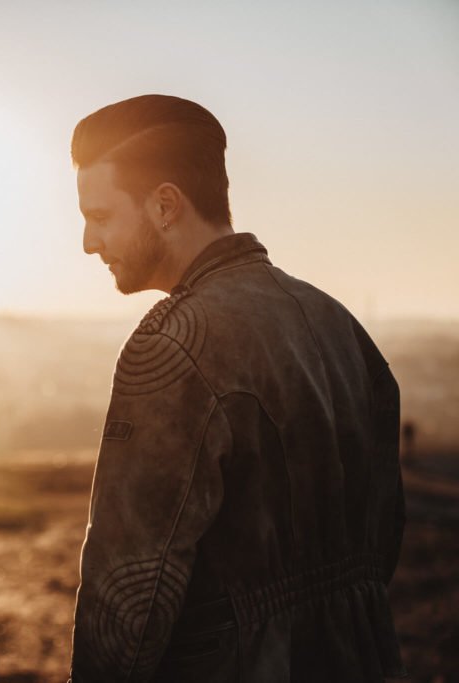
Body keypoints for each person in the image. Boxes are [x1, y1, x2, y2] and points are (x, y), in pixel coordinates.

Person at [67, 95, 406, 682]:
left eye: (99, 216)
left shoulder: (173, 344)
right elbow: (384, 542)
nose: (88, 243)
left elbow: (127, 600)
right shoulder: (342, 326)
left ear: (165, 205)